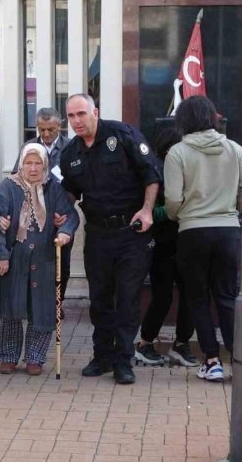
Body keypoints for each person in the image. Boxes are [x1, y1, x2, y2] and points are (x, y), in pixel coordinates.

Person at [59, 93, 160, 385]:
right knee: (100, 298)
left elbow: (151, 174)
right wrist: (62, 213)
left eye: (81, 114)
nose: (77, 121)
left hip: (132, 233)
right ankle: (102, 356)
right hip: (98, 235)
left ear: (95, 112)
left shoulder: (123, 135)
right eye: (72, 116)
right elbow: (70, 190)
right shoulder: (70, 153)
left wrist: (147, 210)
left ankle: (124, 360)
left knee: (127, 298)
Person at [164, 96, 242, 382]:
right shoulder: (235, 149)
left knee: (197, 297)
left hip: (192, 230)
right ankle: (239, 359)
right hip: (228, 229)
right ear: (212, 117)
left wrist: (180, 215)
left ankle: (211, 360)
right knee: (226, 296)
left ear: (183, 120)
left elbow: (172, 199)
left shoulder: (178, 152)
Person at [0, 144, 79, 376]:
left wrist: (65, 231)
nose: (32, 168)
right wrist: (1, 255)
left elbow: (71, 215)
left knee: (42, 310)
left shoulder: (53, 188)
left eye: (37, 163)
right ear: (21, 164)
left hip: (44, 259)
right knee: (12, 310)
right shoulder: (8, 187)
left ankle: (35, 358)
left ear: (45, 165)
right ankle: (9, 357)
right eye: (28, 163)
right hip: (14, 260)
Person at [133, 126, 198, 367]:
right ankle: (145, 343)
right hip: (163, 243)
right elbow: (150, 211)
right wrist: (173, 212)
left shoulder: (181, 168)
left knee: (188, 294)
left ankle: (180, 344)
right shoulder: (156, 171)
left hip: (183, 241)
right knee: (164, 295)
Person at [13, 108, 73, 318]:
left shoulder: (71, 148)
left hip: (61, 215)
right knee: (36, 259)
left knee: (61, 263)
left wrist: (65, 210)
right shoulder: (29, 147)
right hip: (33, 214)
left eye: (51, 129)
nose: (46, 134)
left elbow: (77, 181)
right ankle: (36, 302)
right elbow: (16, 177)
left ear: (60, 126)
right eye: (41, 129)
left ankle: (58, 301)